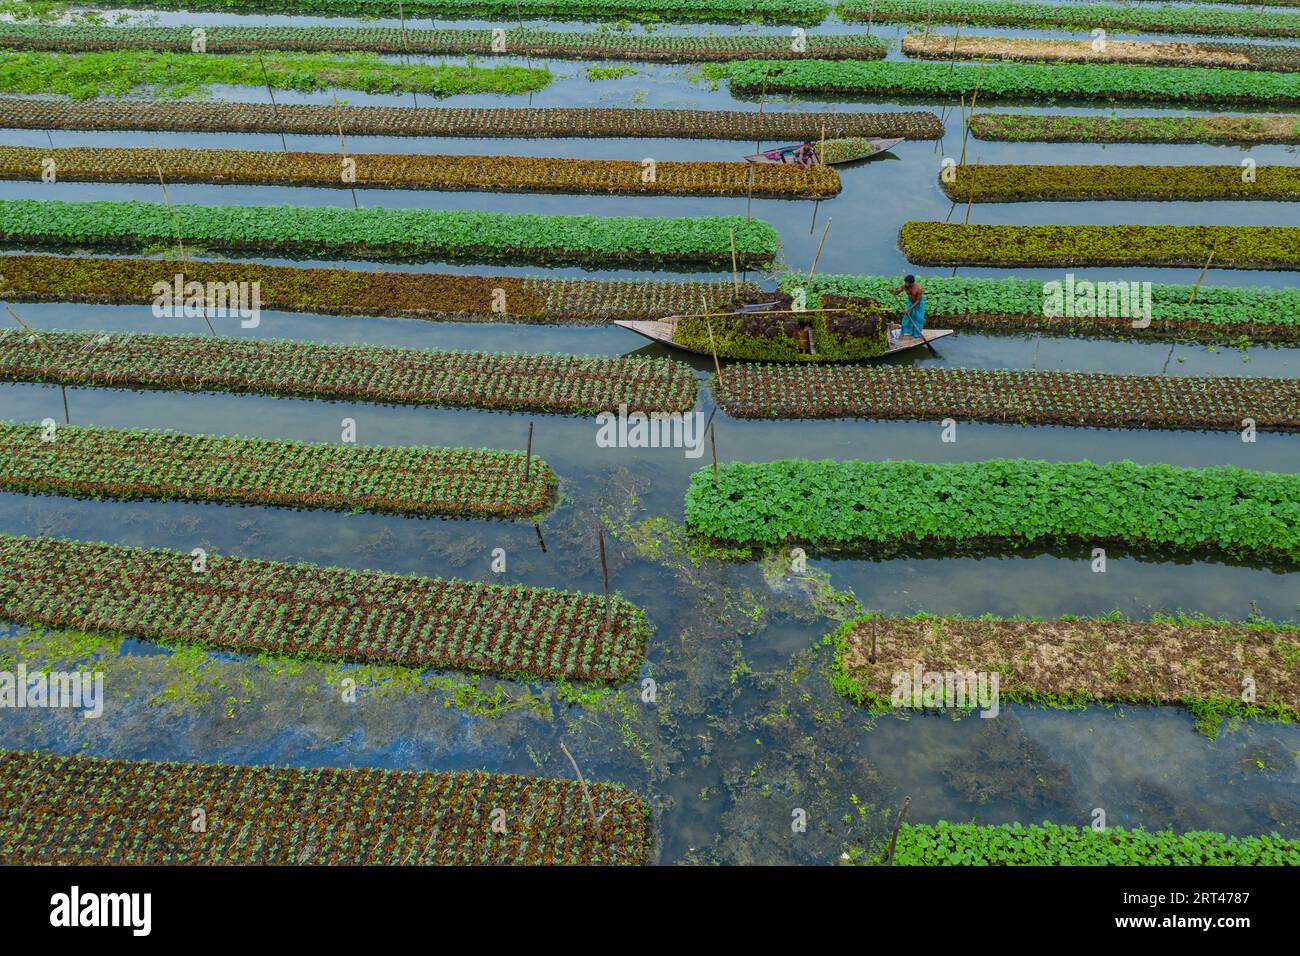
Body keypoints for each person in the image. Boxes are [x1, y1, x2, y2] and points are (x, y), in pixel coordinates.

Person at [889, 274, 925, 346]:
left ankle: (916, 335)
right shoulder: (904, 286)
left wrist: (908, 309)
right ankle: (903, 333)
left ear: (912, 283)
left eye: (907, 283)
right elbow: (897, 292)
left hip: (918, 304)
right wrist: (892, 291)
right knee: (906, 318)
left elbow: (918, 301)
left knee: (918, 319)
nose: (906, 284)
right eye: (905, 282)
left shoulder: (919, 288)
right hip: (910, 302)